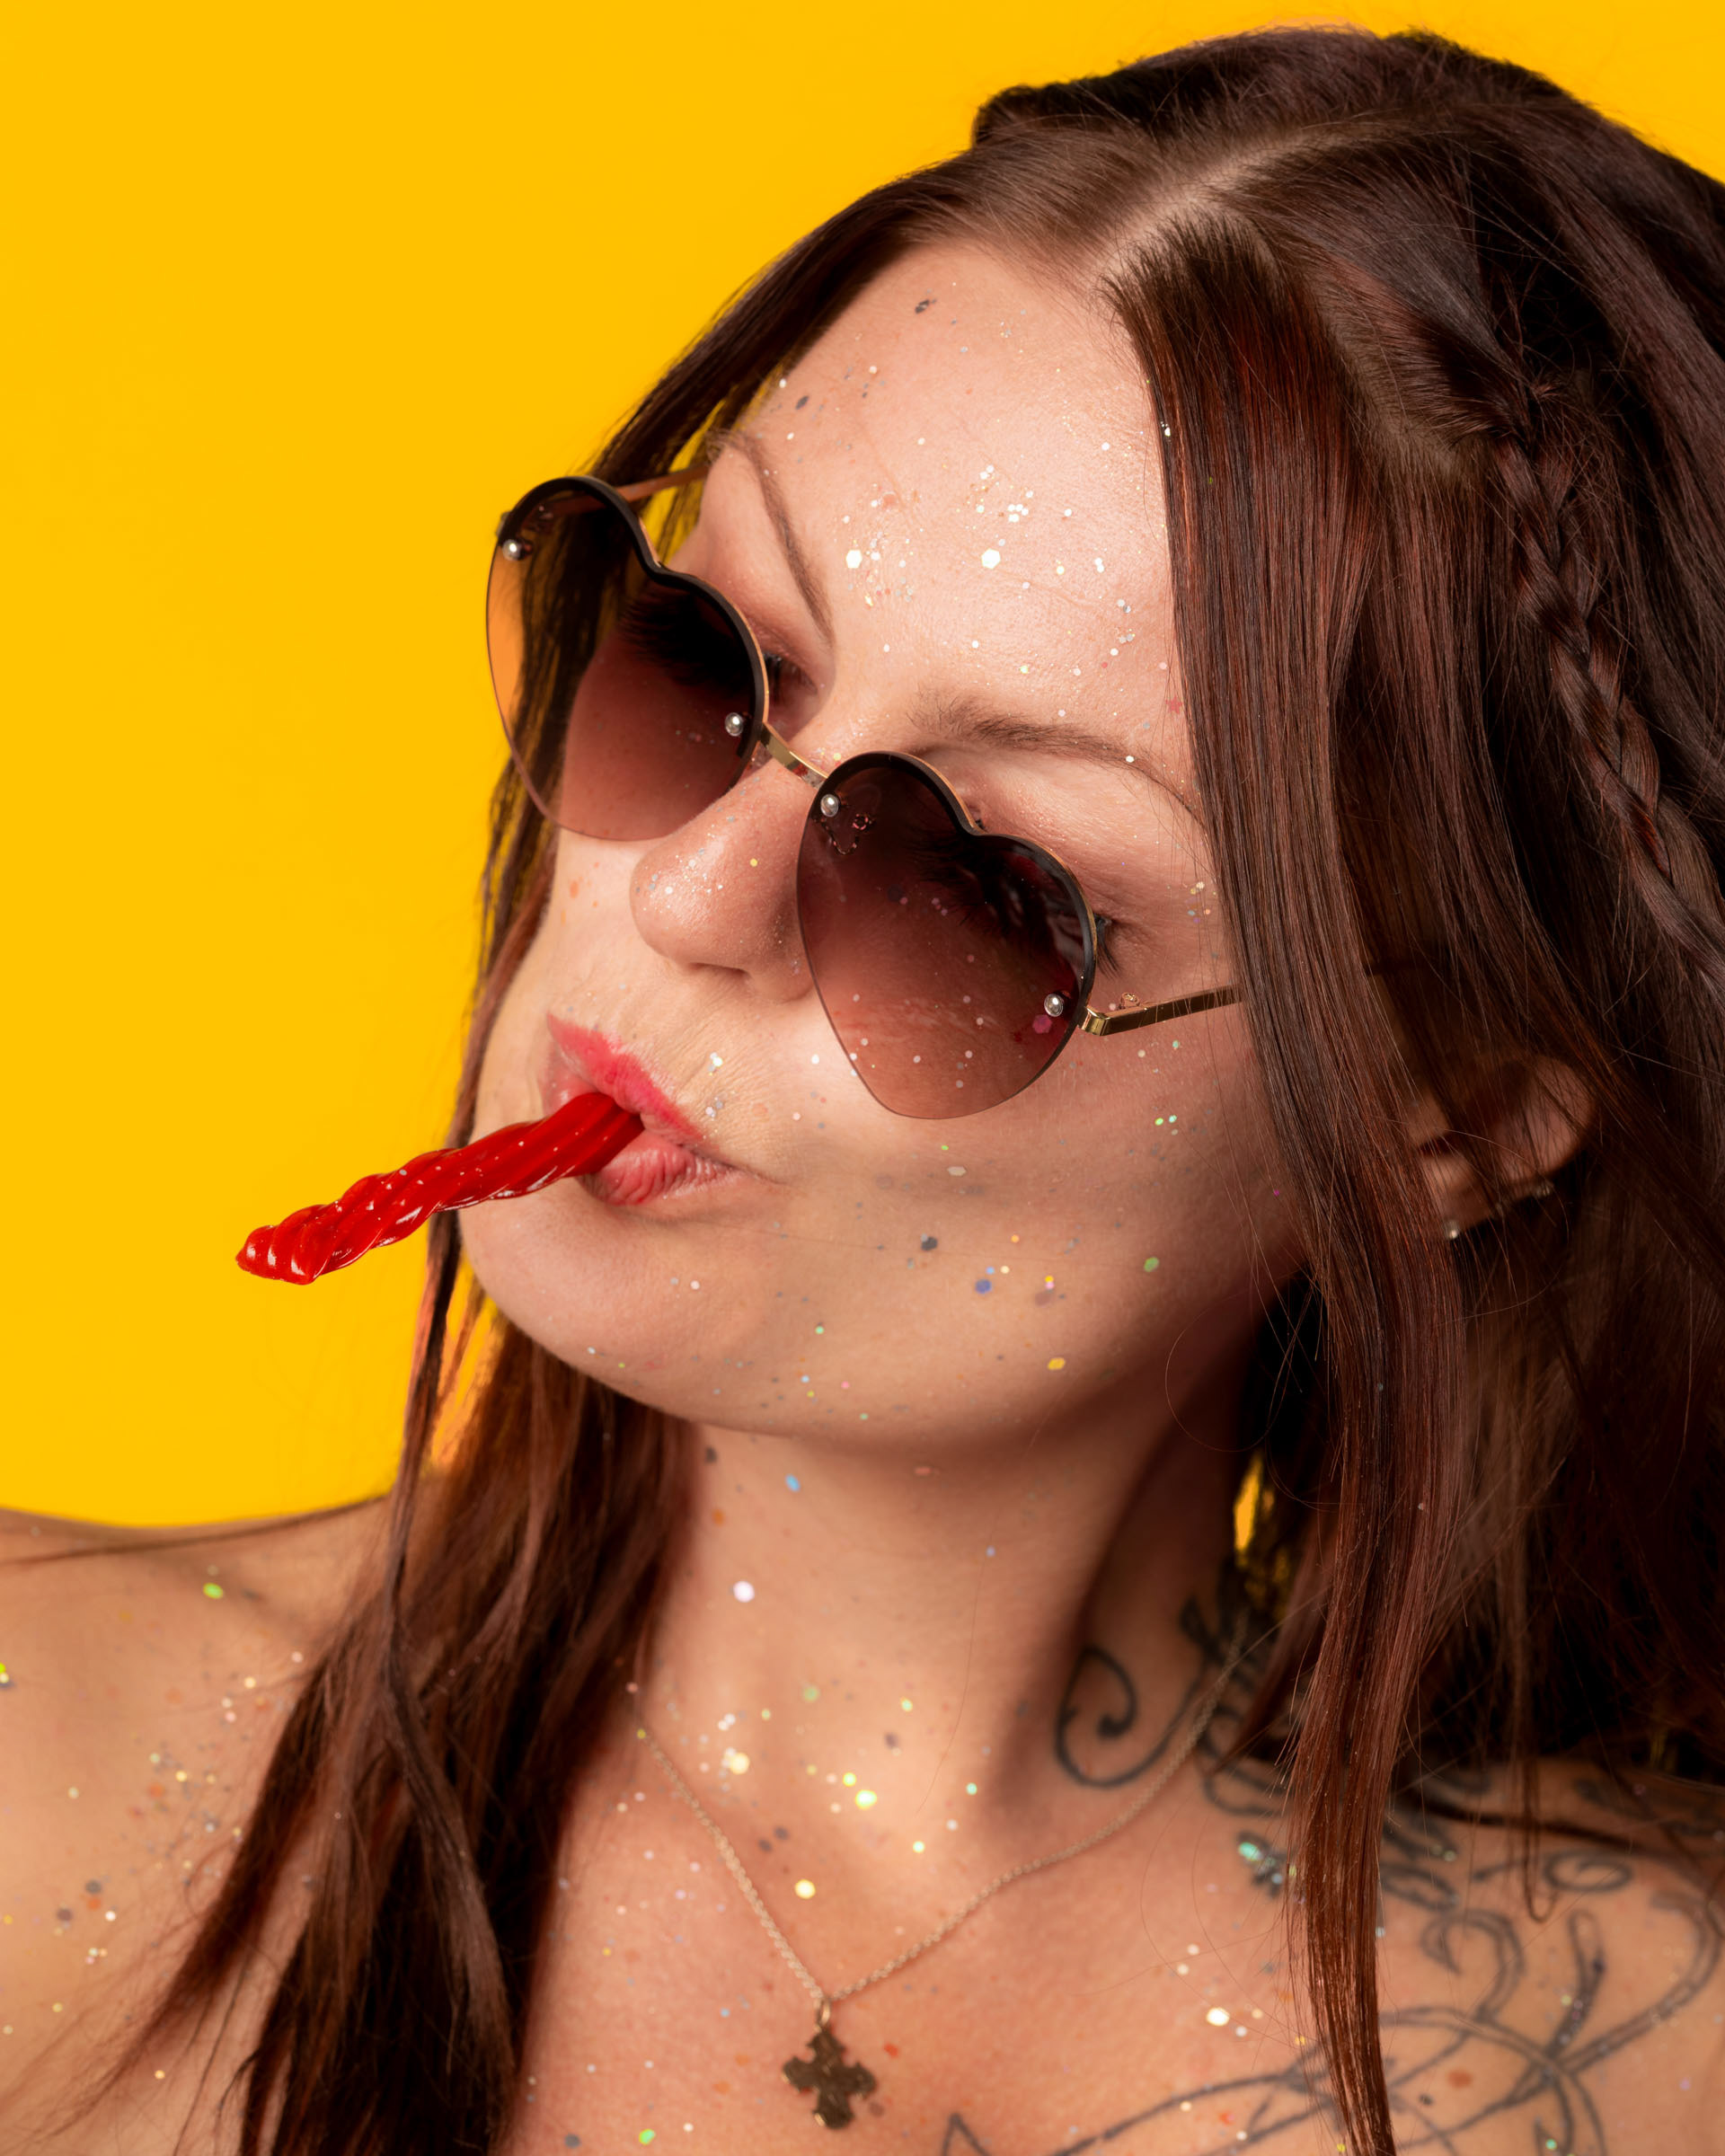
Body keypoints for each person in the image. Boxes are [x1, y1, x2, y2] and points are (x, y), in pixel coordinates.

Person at [5, 23, 1725, 2155]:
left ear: (1444, 1107)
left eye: (978, 886)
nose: (689, 886)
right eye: (707, 660)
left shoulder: (1667, 2054)